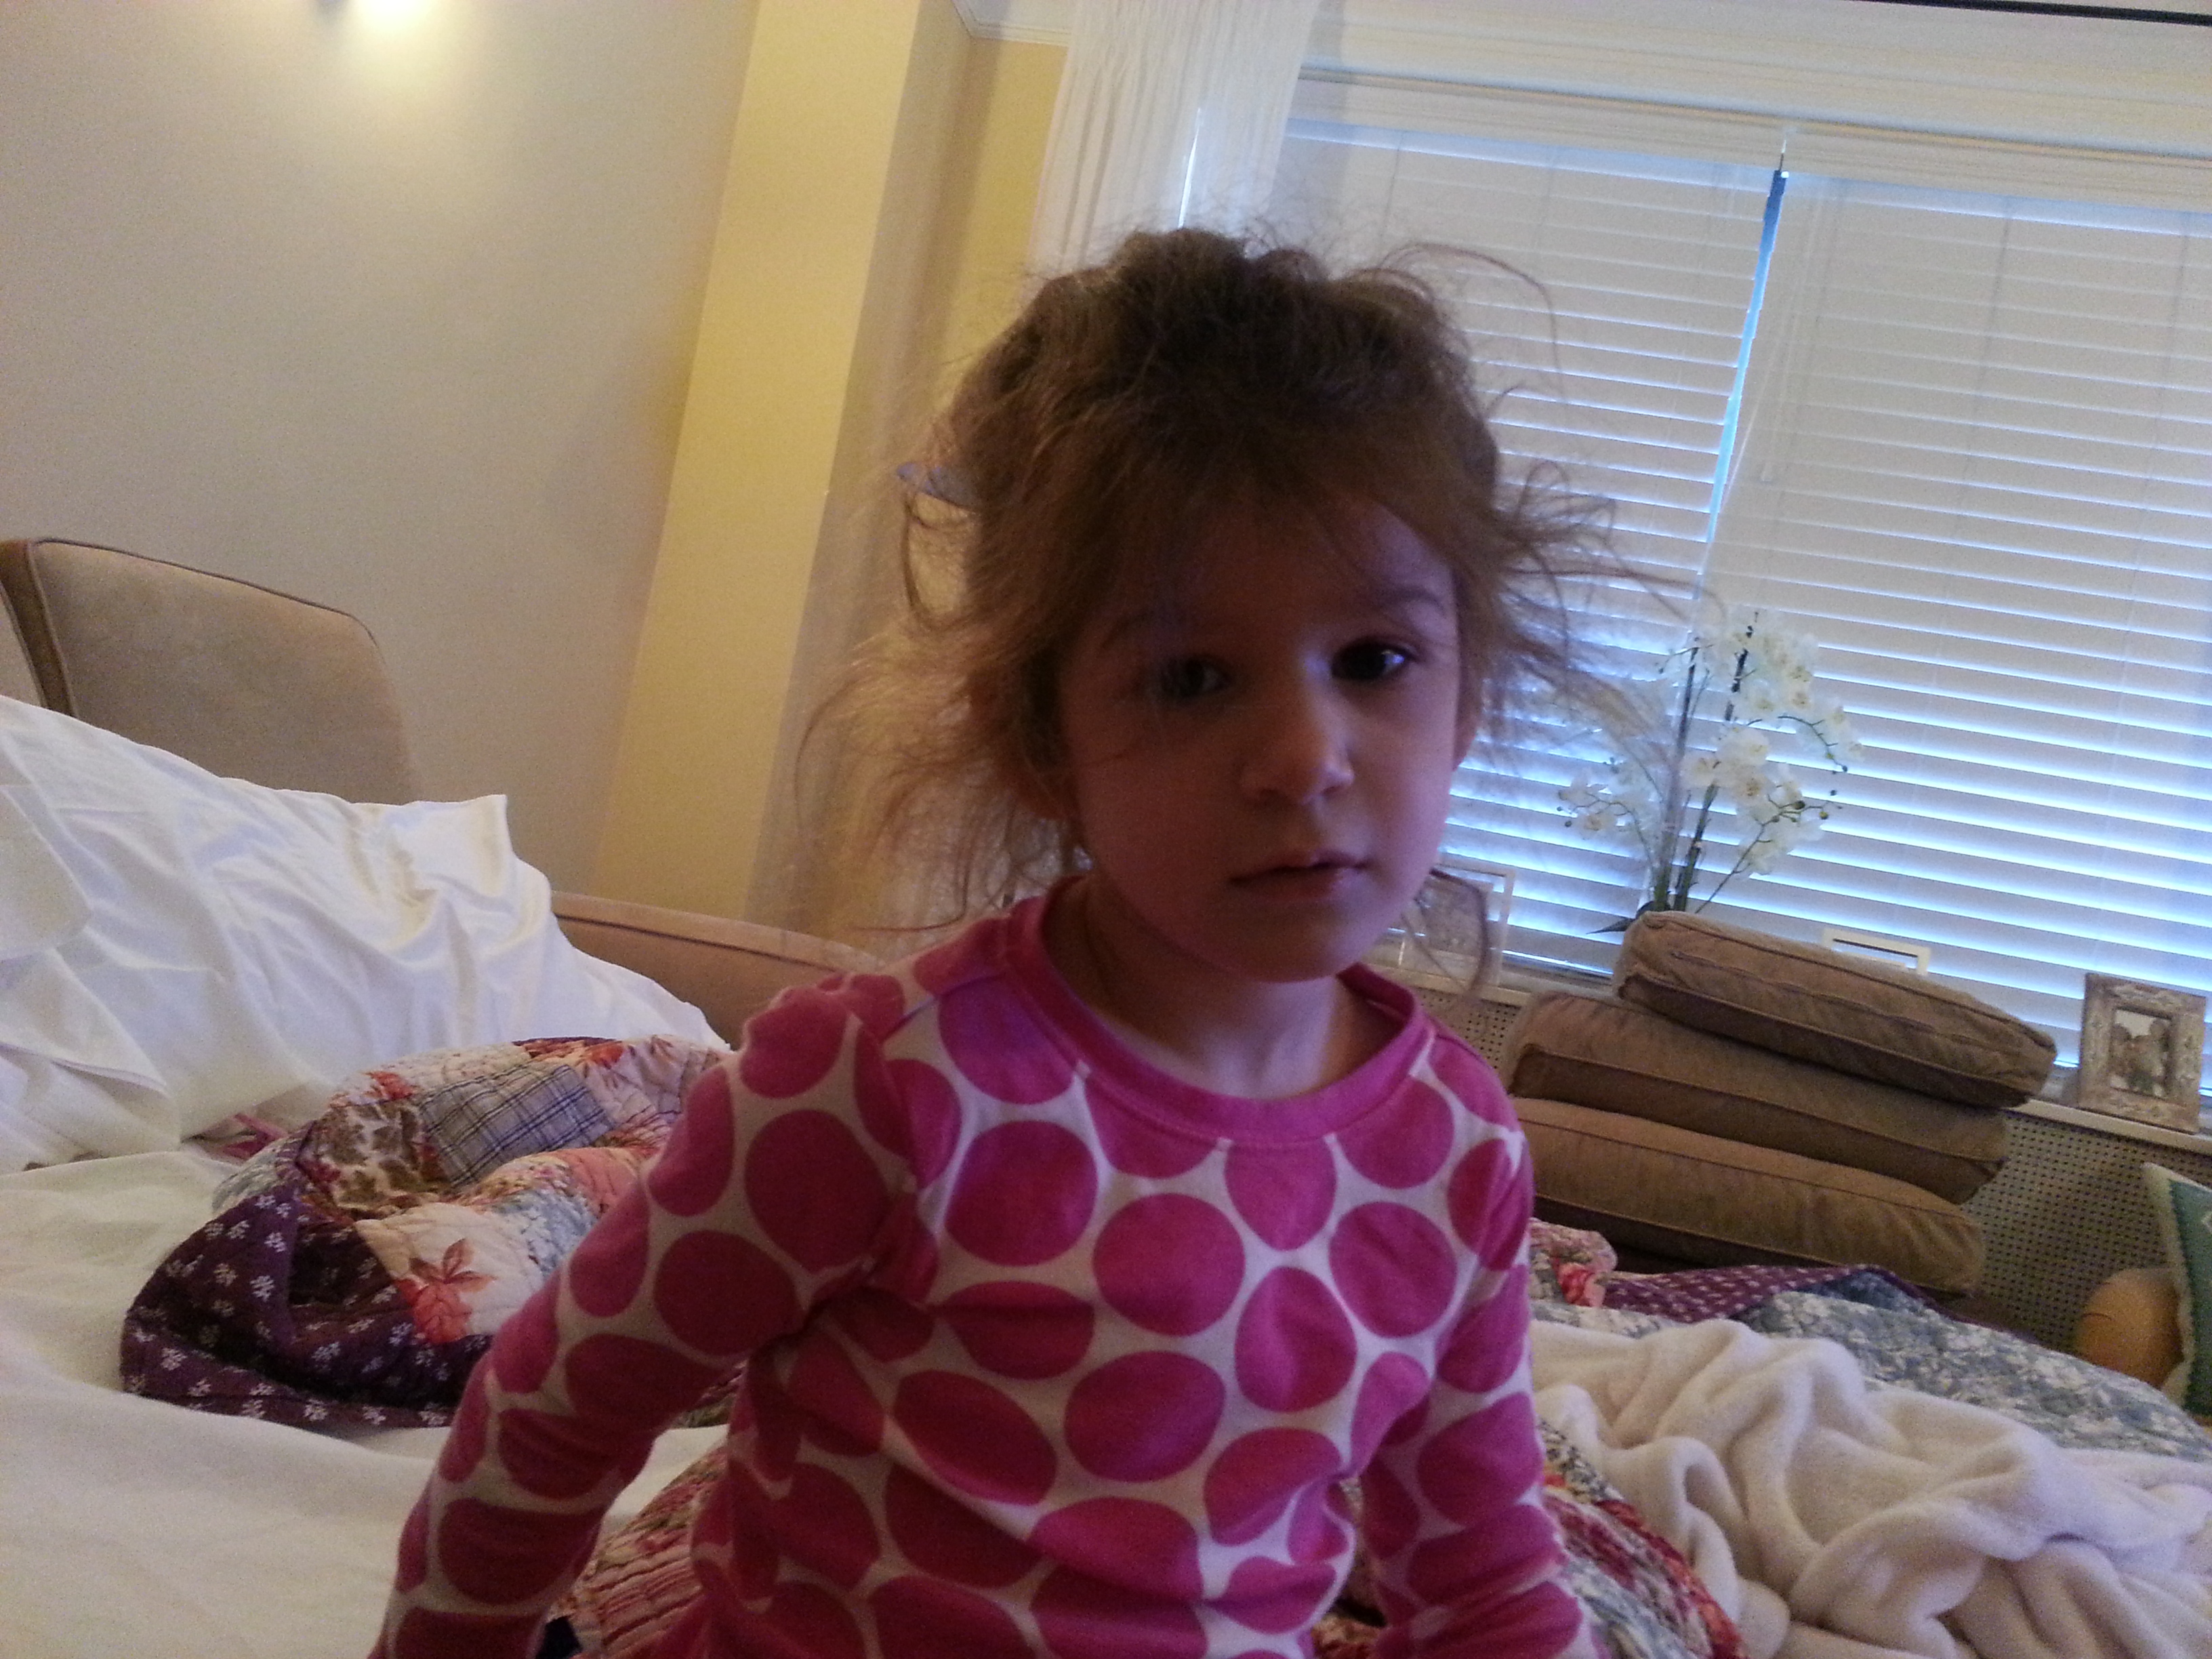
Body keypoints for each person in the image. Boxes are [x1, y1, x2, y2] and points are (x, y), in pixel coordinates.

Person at [371, 228, 1611, 1659]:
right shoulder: (880, 1083)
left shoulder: (1457, 1150)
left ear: (1468, 698)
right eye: (1192, 677)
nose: (1302, 756)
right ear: (1041, 739)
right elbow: (566, 1403)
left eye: (1375, 659)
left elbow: (1484, 1582)